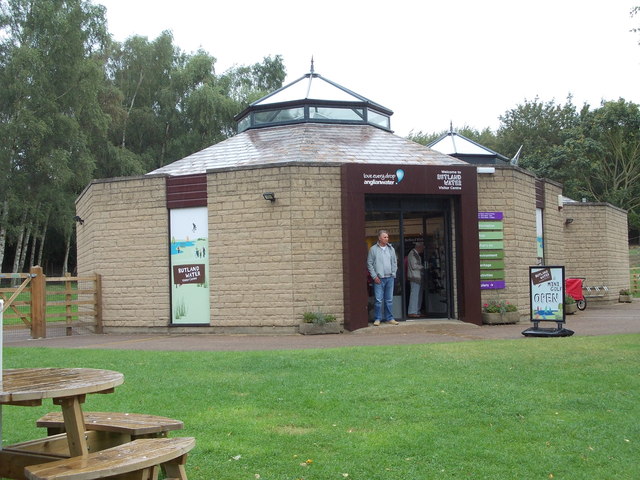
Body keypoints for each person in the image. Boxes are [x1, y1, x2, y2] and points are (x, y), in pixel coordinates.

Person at [367, 230, 399, 326]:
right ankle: (378, 318)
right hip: (379, 279)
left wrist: (393, 273)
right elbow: (369, 263)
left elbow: (394, 262)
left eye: (387, 237)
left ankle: (389, 318)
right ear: (379, 238)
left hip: (390, 277)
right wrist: (374, 276)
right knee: (378, 300)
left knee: (389, 299)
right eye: (385, 237)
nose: (387, 239)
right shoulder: (373, 249)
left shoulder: (391, 249)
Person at [407, 242, 425, 318]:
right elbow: (414, 266)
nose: (423, 249)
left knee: (418, 295)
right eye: (422, 248)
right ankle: (412, 312)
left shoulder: (415, 253)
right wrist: (422, 267)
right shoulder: (412, 253)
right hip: (414, 277)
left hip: (417, 277)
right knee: (414, 295)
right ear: (419, 247)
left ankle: (417, 311)